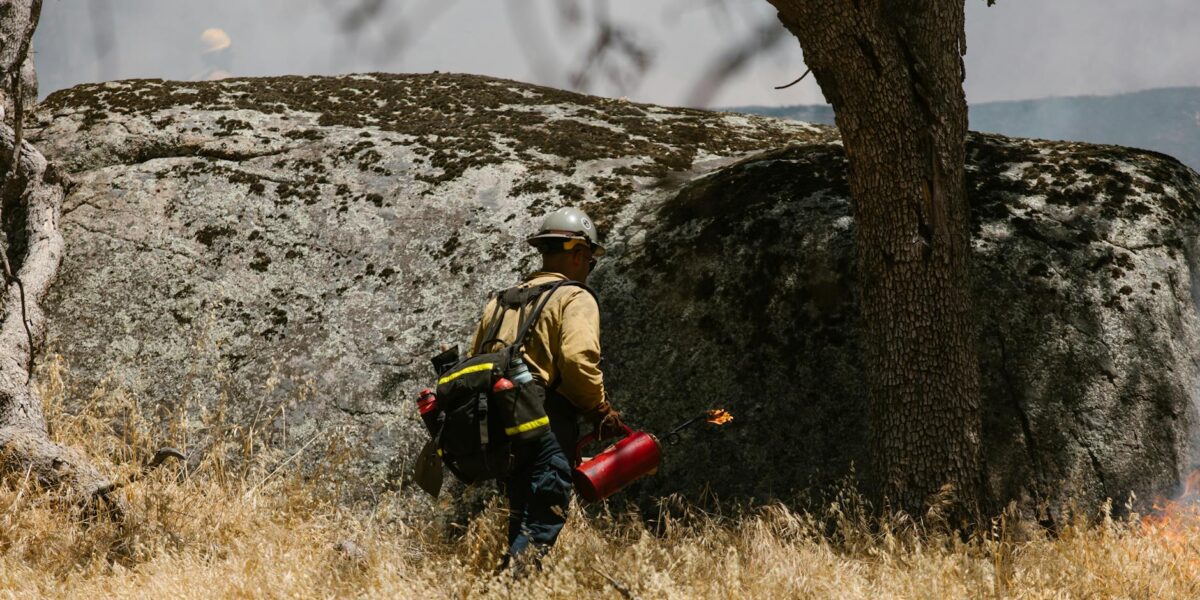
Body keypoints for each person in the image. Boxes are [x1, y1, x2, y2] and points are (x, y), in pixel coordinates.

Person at [468, 206, 626, 570]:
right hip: (544, 424)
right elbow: (577, 361)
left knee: (521, 515)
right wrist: (599, 410)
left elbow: (475, 359)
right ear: (579, 254)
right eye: (590, 261)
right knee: (542, 520)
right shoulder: (574, 297)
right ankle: (507, 591)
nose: (589, 269)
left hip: (498, 430)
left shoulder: (501, 301)